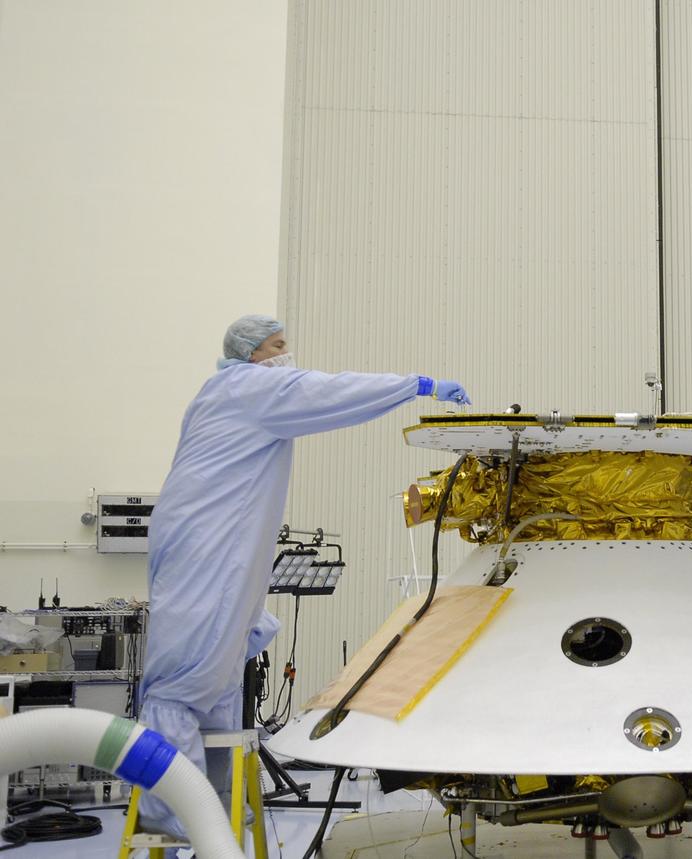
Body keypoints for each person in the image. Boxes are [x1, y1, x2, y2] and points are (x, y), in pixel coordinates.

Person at [138, 314, 471, 837]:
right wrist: (417, 385)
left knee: (218, 677)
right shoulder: (251, 387)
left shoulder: (220, 391)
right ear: (251, 352)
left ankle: (216, 814)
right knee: (185, 678)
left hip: (211, 541)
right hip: (207, 545)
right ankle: (177, 814)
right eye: (277, 345)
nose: (285, 353)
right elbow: (332, 392)